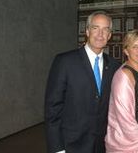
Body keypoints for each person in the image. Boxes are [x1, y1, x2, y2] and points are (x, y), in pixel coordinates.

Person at [45, 11, 120, 153]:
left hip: (102, 145)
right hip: (71, 144)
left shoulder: (115, 66)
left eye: (105, 29)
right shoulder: (65, 61)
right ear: (87, 31)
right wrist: (57, 148)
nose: (100, 34)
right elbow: (53, 108)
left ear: (110, 35)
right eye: (95, 28)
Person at [105, 30, 138, 153]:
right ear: (126, 51)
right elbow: (125, 119)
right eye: (135, 46)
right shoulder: (124, 76)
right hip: (127, 145)